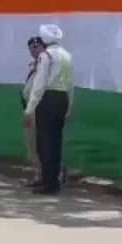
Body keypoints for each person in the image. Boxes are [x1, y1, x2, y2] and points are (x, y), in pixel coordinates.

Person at [24, 24, 73, 195]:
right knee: (56, 143)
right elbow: (70, 85)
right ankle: (54, 182)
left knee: (44, 143)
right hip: (62, 99)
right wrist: (69, 107)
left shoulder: (46, 56)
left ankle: (48, 183)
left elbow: (39, 83)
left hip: (48, 99)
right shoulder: (67, 56)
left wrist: (30, 109)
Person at [20, 37, 45, 187]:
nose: (34, 49)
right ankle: (38, 175)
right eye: (31, 47)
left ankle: (46, 176)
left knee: (42, 144)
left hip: (39, 110)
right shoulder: (33, 65)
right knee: (32, 145)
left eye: (36, 46)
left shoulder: (46, 65)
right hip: (29, 109)